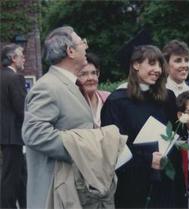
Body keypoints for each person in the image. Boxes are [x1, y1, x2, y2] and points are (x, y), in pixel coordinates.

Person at [101, 45, 186, 208]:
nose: (158, 69)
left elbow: (179, 136)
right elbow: (112, 149)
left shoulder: (167, 98)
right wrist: (147, 160)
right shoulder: (117, 102)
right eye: (152, 63)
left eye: (160, 65)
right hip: (133, 187)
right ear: (136, 65)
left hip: (165, 184)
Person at [21, 26, 94, 208]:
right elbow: (34, 134)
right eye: (82, 42)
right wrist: (82, 147)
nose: (86, 46)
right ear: (70, 51)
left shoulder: (69, 84)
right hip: (54, 194)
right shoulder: (47, 86)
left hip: (71, 190)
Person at [0, 43, 27, 209]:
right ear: (13, 59)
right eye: (21, 55)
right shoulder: (15, 77)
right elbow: (21, 108)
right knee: (11, 177)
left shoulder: (2, 76)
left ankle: (26, 204)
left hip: (5, 133)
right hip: (13, 134)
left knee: (20, 174)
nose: (24, 58)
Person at [77, 53, 110, 127]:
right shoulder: (72, 103)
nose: (90, 78)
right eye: (84, 74)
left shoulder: (108, 98)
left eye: (94, 73)